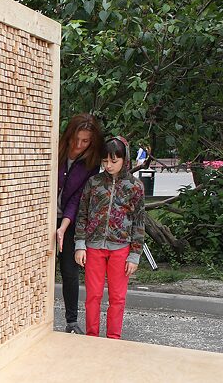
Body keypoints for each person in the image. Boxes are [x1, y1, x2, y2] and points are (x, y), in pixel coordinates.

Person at [74, 136, 146, 339]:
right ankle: (92, 337)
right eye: (105, 161)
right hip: (93, 247)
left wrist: (135, 254)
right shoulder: (94, 183)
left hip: (121, 248)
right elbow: (83, 214)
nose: (109, 165)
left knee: (117, 297)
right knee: (93, 295)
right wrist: (80, 244)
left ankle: (114, 339)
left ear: (125, 159)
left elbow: (139, 221)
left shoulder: (135, 187)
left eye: (114, 161)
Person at [55, 114, 104, 334]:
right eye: (76, 139)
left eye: (85, 141)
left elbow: (77, 198)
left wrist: (64, 226)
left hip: (68, 218)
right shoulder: (56, 148)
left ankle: (71, 322)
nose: (79, 145)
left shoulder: (91, 163)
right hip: (43, 215)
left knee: (69, 269)